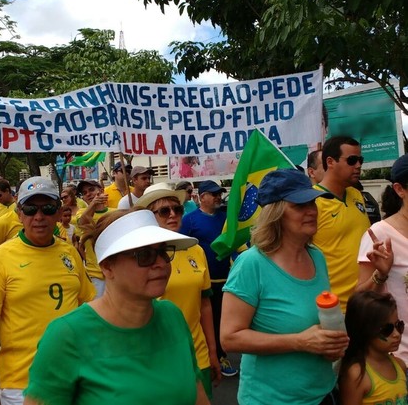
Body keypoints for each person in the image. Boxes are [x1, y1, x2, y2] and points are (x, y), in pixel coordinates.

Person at [24, 209, 210, 405]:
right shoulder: (66, 336)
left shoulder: (172, 316)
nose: (161, 263)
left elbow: (197, 395)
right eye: (145, 255)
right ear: (107, 267)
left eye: (163, 252)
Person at [222, 169, 349, 405]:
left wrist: (330, 340)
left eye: (312, 202)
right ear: (276, 212)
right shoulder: (252, 264)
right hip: (271, 400)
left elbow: (314, 319)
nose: (312, 210)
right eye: (300, 205)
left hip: (323, 393)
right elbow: (230, 338)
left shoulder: (317, 256)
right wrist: (299, 342)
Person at [0, 176, 95, 405]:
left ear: (58, 213)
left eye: (47, 209)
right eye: (30, 209)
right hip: (22, 384)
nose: (39, 217)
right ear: (19, 213)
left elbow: (88, 308)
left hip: (74, 378)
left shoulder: (70, 253)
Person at [136, 183, 220, 397]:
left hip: (198, 354)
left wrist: (212, 352)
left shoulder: (196, 249)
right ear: (148, 216)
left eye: (178, 209)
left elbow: (205, 304)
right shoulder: (138, 257)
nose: (173, 215)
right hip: (159, 357)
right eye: (164, 211)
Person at [180, 180, 238, 377]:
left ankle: (220, 355)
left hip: (226, 279)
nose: (217, 197)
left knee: (221, 320)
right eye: (213, 194)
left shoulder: (226, 218)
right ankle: (201, 355)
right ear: (201, 196)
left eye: (219, 194)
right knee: (203, 320)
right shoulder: (189, 220)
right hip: (202, 281)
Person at [356, 153, 408, 362]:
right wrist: (381, 274)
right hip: (400, 359)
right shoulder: (380, 235)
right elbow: (360, 300)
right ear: (399, 189)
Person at [312, 136, 370, 311]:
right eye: (352, 160)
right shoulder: (311, 203)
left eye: (360, 160)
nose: (358, 165)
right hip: (335, 309)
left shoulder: (356, 195)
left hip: (367, 303)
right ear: (330, 162)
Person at [340, 291, 407, 405]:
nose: (396, 334)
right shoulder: (357, 375)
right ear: (365, 331)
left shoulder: (400, 365)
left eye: (398, 325)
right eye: (387, 329)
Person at [76, 179, 115, 296]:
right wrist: (93, 204)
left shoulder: (115, 213)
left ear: (101, 190)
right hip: (95, 275)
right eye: (84, 192)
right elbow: (82, 221)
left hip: (115, 271)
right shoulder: (81, 213)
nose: (88, 194)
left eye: (91, 190)